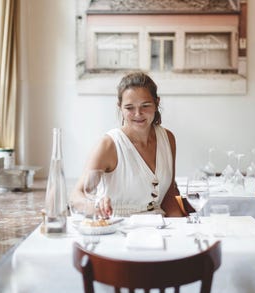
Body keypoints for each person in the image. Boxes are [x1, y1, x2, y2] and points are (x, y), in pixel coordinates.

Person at [70, 71, 184, 218]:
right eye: (130, 108)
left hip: (159, 232)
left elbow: (169, 196)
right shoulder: (109, 145)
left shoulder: (168, 138)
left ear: (157, 103)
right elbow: (76, 196)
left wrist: (182, 231)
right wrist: (95, 206)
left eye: (145, 105)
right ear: (120, 108)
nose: (138, 113)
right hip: (118, 229)